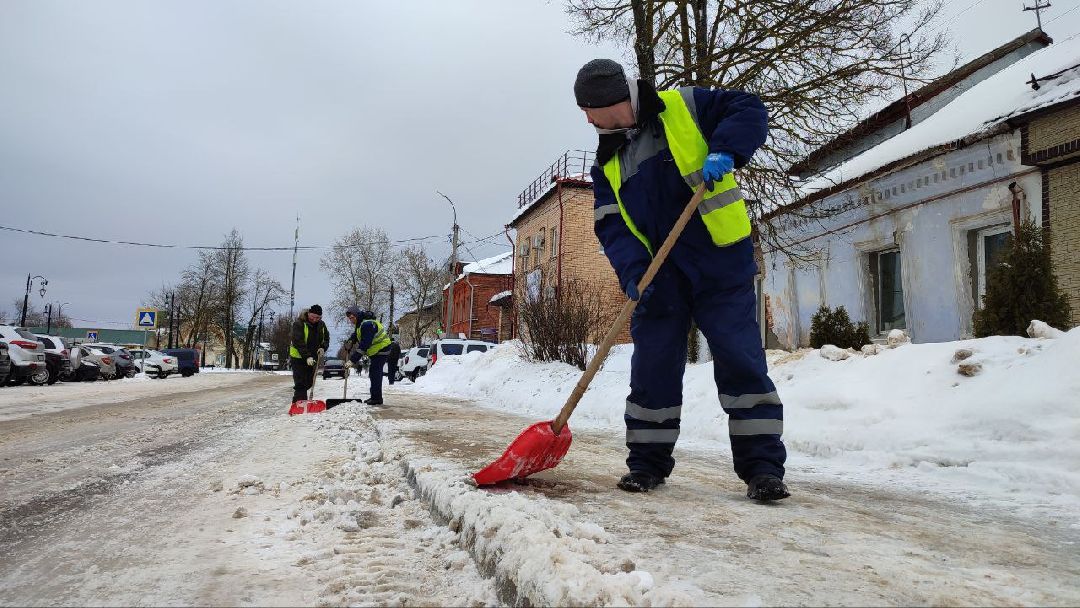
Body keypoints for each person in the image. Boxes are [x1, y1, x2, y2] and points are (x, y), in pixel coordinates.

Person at [576, 59, 789, 501]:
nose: (587, 121)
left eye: (589, 111)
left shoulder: (686, 105)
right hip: (658, 278)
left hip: (719, 263)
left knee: (740, 360)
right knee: (652, 369)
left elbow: (748, 108)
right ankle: (647, 465)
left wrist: (726, 148)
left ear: (611, 104)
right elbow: (611, 226)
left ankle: (763, 468)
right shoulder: (607, 163)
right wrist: (633, 272)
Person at [343, 306, 392, 405]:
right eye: (349, 319)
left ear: (357, 315)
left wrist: (352, 360)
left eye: (352, 318)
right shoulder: (360, 323)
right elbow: (357, 334)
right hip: (376, 350)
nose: (351, 320)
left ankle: (377, 399)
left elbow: (364, 344)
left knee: (375, 373)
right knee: (374, 373)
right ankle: (375, 397)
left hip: (382, 349)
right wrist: (350, 341)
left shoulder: (367, 324)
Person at [289, 304, 329, 404]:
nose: (315, 319)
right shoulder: (299, 324)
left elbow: (326, 339)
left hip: (313, 358)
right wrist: (307, 356)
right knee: (300, 383)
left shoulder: (322, 325)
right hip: (298, 358)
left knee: (309, 382)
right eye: (313, 317)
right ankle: (299, 405)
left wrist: (323, 347)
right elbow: (298, 341)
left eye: (318, 317)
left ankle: (299, 402)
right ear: (309, 313)